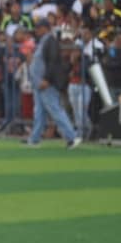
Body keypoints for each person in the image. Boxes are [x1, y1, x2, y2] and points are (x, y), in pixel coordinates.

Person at [23, 19, 82, 149]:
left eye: (38, 28)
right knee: (39, 112)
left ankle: (72, 137)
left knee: (55, 110)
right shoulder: (43, 41)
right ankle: (34, 139)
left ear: (45, 28)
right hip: (39, 83)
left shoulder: (50, 41)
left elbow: (53, 62)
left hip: (46, 83)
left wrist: (47, 79)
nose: (36, 31)